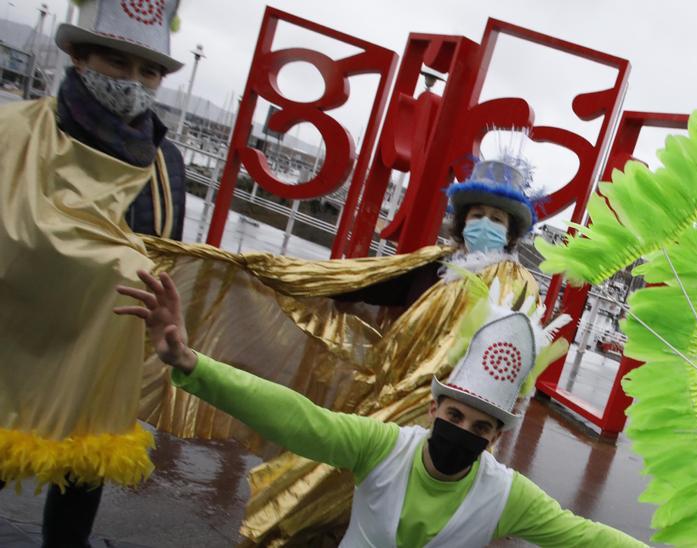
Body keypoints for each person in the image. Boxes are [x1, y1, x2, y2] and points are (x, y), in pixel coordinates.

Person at [133, 143, 550, 544]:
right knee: (323, 484)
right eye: (477, 214)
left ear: (511, 231)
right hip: (389, 399)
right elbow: (361, 283)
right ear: (462, 221)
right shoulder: (433, 266)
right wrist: (270, 275)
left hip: (451, 414)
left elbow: (519, 361)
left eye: (497, 219)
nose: (485, 225)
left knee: (407, 504)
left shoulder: (520, 284)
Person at [116, 267, 644, 547]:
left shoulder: (507, 495)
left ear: (496, 438)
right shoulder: (385, 447)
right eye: (455, 415)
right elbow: (301, 421)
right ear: (433, 411)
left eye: (480, 426)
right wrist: (192, 365)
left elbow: (585, 538)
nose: (463, 430)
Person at [0, 1, 186, 545]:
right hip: (11, 342)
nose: (133, 81)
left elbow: (158, 257)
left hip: (98, 360)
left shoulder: (163, 163)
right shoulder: (14, 134)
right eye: (116, 61)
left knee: (80, 487)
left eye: (148, 70)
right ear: (79, 56)